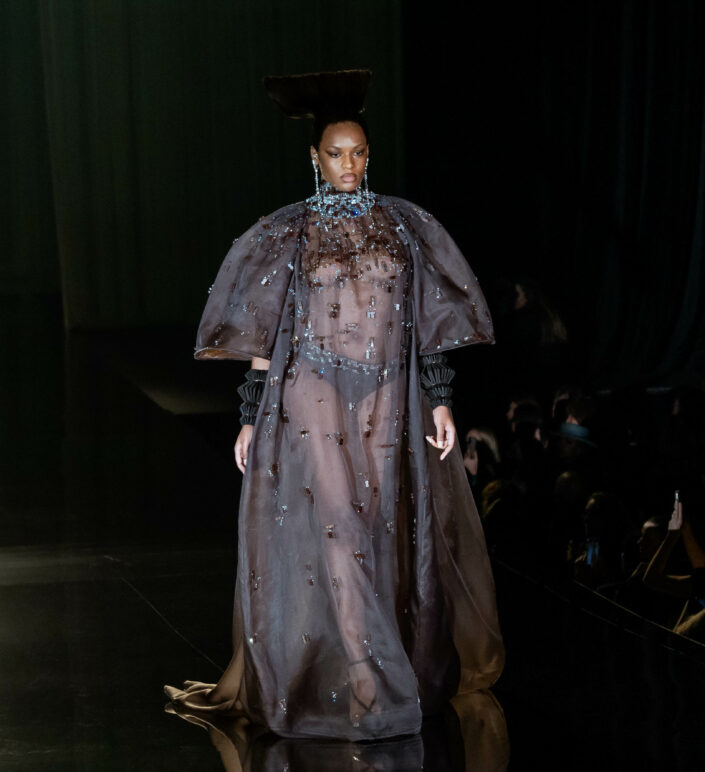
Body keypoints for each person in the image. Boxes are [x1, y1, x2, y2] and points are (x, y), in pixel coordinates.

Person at [164, 69, 504, 741]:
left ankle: (378, 665)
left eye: (358, 152)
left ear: (368, 156)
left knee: (377, 527)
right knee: (341, 530)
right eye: (335, 153)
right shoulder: (287, 233)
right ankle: (366, 676)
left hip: (386, 391)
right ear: (314, 158)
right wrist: (250, 413)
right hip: (311, 389)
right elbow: (267, 330)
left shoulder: (405, 226)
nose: (347, 164)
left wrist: (439, 401)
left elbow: (426, 321)